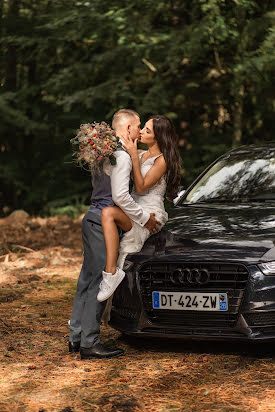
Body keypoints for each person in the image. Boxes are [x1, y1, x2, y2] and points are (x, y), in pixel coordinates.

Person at [69, 109, 160, 359]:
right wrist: (143, 218)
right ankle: (89, 342)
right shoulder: (121, 156)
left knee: (86, 279)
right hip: (101, 223)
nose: (139, 131)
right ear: (128, 128)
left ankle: (76, 335)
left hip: (90, 218)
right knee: (102, 280)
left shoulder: (103, 152)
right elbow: (120, 196)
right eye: (138, 126)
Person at [97, 115, 181, 302]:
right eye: (142, 127)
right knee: (107, 220)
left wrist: (134, 155)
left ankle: (120, 298)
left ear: (158, 137)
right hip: (133, 207)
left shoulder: (162, 160)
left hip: (151, 211)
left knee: (127, 250)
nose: (141, 131)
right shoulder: (140, 153)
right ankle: (92, 306)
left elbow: (142, 187)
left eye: (147, 130)